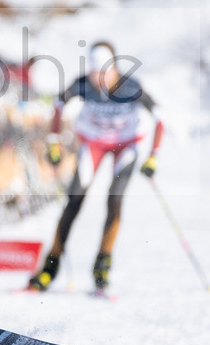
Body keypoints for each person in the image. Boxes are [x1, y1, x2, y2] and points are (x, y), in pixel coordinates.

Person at [27, 41, 163, 293]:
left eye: (103, 73)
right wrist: (53, 142)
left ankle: (102, 266)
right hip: (94, 144)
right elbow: (58, 104)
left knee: (114, 200)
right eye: (93, 73)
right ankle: (49, 269)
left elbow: (160, 117)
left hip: (126, 145)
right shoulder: (83, 84)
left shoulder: (130, 86)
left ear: (114, 70)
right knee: (74, 201)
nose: (97, 78)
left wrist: (153, 155)